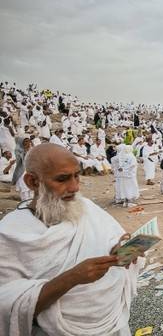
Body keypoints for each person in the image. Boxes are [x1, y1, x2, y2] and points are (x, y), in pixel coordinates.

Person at [0, 143, 142, 335]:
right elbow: (8, 305)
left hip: (113, 323)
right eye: (62, 179)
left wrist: (119, 248)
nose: (74, 187)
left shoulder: (87, 208)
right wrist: (72, 278)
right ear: (33, 182)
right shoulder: (9, 235)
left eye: (77, 175)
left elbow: (109, 241)